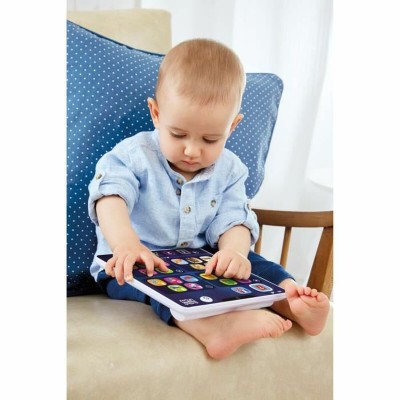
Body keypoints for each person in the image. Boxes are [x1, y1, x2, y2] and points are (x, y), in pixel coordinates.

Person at [88, 38, 330, 360]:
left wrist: (234, 252)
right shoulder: (133, 155)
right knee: (158, 285)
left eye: (210, 139)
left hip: (201, 258)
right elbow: (110, 197)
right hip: (133, 262)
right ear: (156, 114)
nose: (192, 150)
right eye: (178, 134)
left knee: (256, 265)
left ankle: (290, 300)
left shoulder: (230, 169)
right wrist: (126, 244)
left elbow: (234, 219)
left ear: (232, 127)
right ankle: (213, 329)